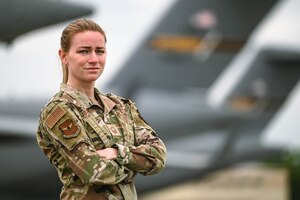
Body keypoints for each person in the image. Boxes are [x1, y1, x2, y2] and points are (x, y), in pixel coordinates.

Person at [36, 18, 166, 200]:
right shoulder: (59, 111)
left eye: (100, 51)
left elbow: (158, 156)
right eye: (84, 51)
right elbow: (94, 171)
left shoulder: (121, 107)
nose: (94, 59)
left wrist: (117, 153)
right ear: (64, 56)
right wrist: (134, 166)